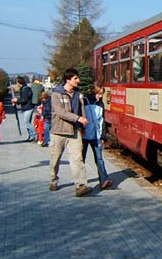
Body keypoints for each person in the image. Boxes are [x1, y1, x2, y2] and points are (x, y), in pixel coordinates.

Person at [49, 68, 91, 197]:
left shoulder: (79, 94)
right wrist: (78, 118)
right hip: (59, 131)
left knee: (77, 158)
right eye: (75, 78)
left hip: (75, 131)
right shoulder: (56, 93)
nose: (78, 80)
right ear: (68, 80)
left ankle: (80, 185)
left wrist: (82, 127)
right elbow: (60, 112)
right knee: (55, 159)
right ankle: (53, 180)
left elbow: (81, 110)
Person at [82, 85, 114, 190]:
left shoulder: (101, 104)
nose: (100, 96)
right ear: (93, 92)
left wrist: (103, 136)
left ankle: (104, 180)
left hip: (96, 135)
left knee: (99, 159)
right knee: (81, 159)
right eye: (99, 94)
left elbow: (102, 121)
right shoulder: (84, 101)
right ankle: (81, 183)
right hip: (85, 135)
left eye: (101, 94)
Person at [12, 76, 37, 142]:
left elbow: (24, 99)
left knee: (27, 123)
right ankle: (31, 136)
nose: (16, 83)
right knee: (27, 122)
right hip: (27, 107)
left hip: (28, 107)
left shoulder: (25, 89)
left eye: (17, 82)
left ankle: (35, 135)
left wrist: (17, 100)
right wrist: (16, 102)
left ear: (19, 82)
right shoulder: (24, 88)